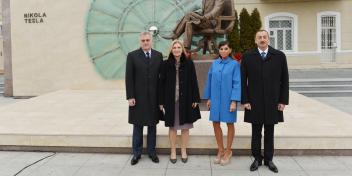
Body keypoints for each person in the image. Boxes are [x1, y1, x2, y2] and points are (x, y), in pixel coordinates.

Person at [241, 30, 289, 173]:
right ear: (255, 40)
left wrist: (283, 100)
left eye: (264, 37)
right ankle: (257, 158)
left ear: (268, 39)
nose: (262, 39)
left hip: (272, 101)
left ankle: (269, 160)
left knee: (270, 131)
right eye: (259, 37)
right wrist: (245, 100)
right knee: (256, 131)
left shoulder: (279, 56)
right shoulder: (248, 56)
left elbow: (285, 80)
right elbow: (243, 81)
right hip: (254, 101)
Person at [159, 40, 201, 164]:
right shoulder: (165, 64)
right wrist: (161, 101)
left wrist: (195, 98)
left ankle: (183, 150)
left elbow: (194, 81)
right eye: (174, 47)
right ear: (171, 50)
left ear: (182, 49)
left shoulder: (189, 63)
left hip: (186, 100)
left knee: (185, 127)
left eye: (178, 47)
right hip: (171, 101)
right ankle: (172, 151)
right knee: (172, 127)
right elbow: (161, 84)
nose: (176, 49)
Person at [125, 32, 163, 165]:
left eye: (147, 40)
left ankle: (152, 153)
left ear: (151, 41)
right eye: (143, 40)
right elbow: (129, 78)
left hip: (154, 98)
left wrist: (161, 100)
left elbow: (161, 79)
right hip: (138, 98)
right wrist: (130, 96)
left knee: (152, 126)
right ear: (140, 42)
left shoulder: (158, 56)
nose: (145, 42)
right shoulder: (132, 56)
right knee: (138, 126)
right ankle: (136, 153)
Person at [203, 41, 241, 166]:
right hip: (215, 99)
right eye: (221, 48)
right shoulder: (214, 64)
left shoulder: (234, 64)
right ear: (219, 50)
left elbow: (237, 83)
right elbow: (209, 80)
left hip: (228, 99)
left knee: (229, 123)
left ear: (230, 50)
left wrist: (234, 101)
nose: (223, 51)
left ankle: (228, 151)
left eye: (226, 48)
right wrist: (208, 98)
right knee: (215, 123)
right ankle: (220, 149)